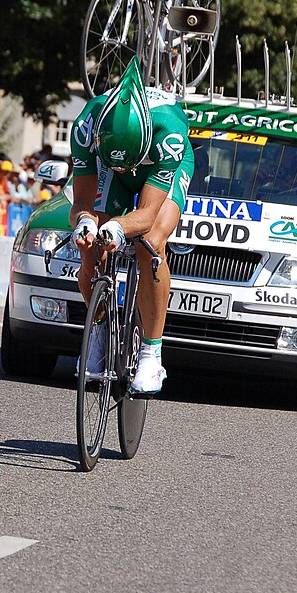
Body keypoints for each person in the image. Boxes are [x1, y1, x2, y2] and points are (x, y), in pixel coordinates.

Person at [70, 56, 192, 394]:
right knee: (90, 247)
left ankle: (152, 353)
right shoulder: (85, 127)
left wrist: (119, 227)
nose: (123, 171)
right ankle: (98, 329)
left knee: (150, 242)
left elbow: (149, 214)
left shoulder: (169, 133)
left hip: (157, 168)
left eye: (126, 165)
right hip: (113, 159)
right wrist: (85, 223)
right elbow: (81, 203)